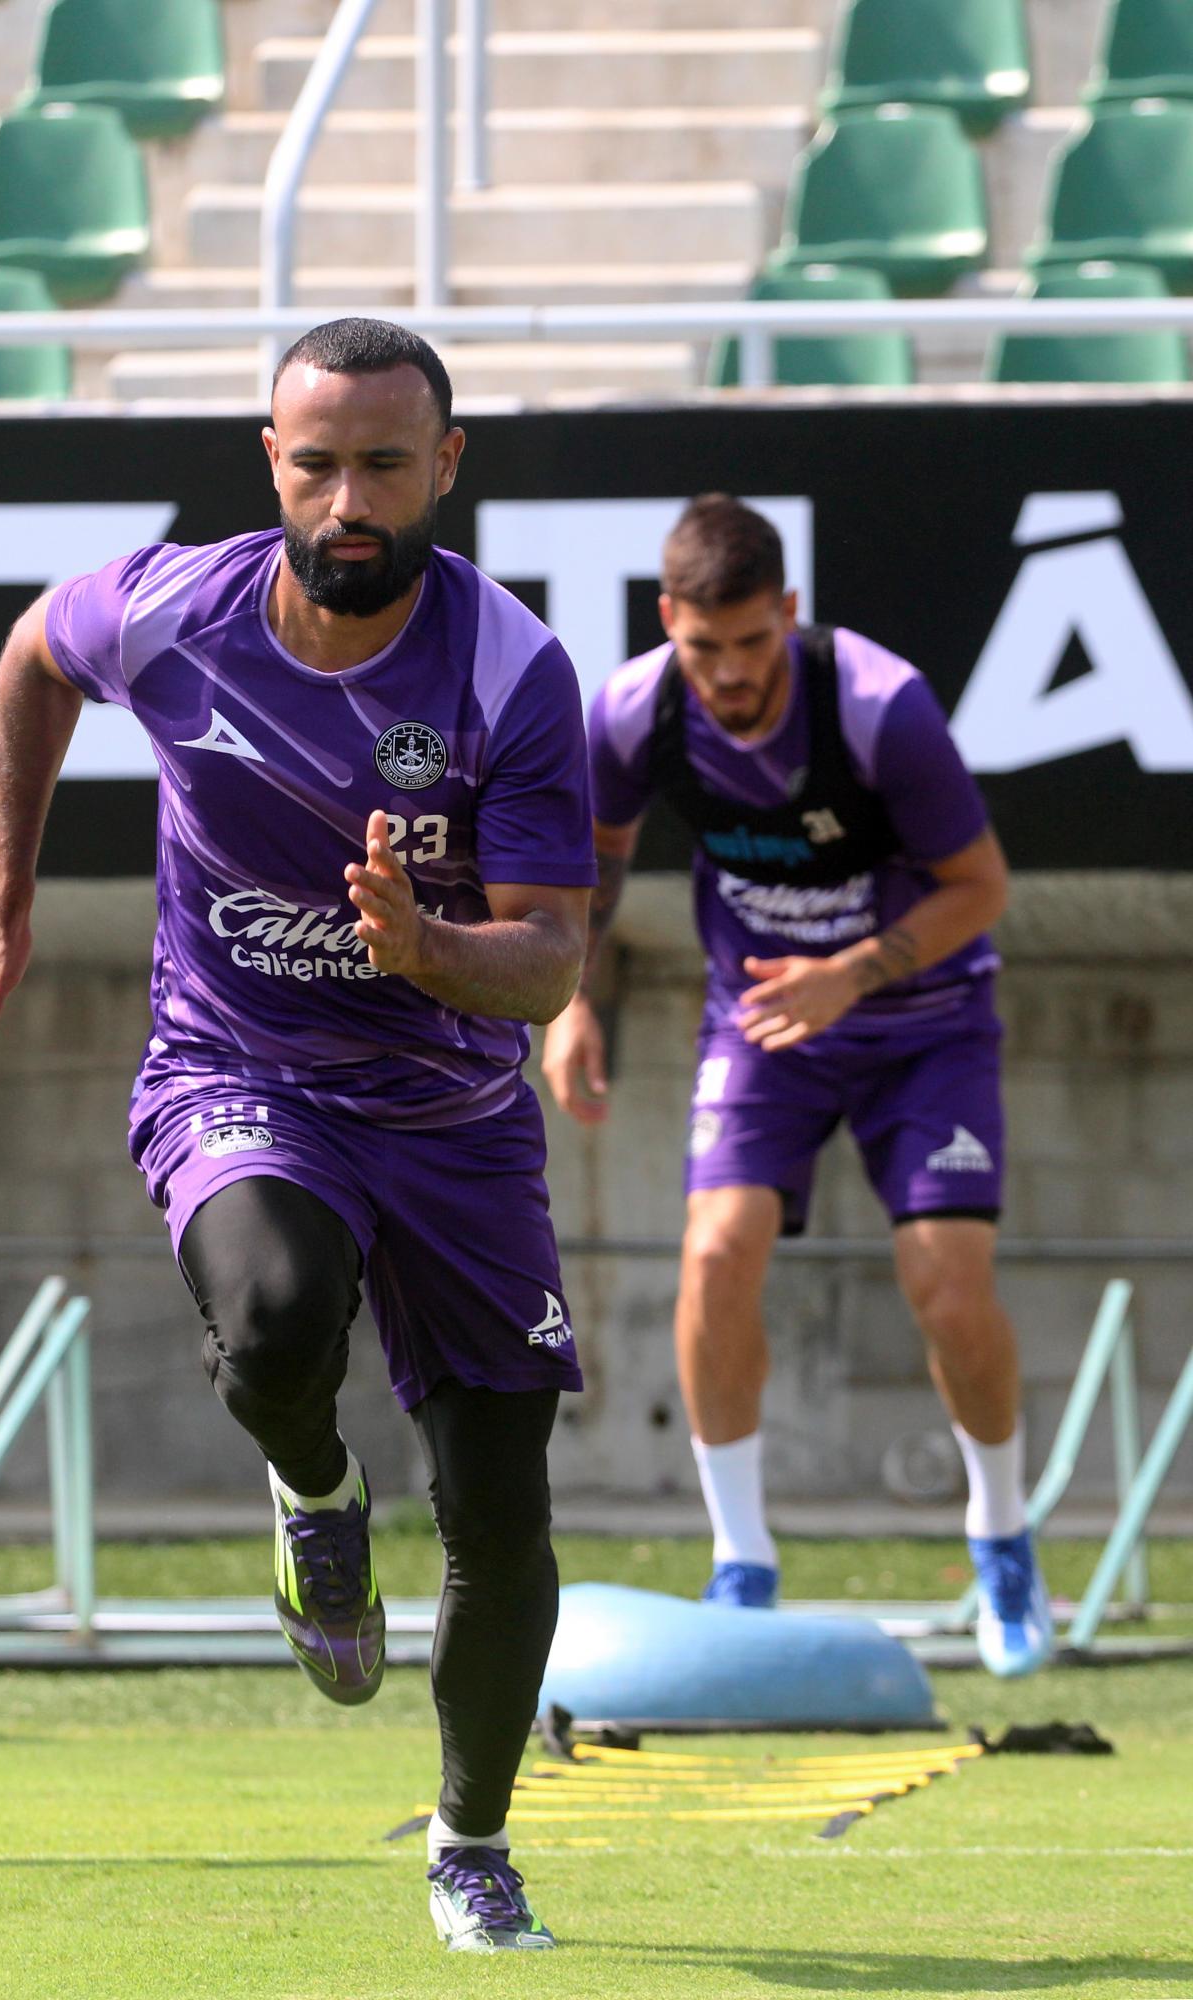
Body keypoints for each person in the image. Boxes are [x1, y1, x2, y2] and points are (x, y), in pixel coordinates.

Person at [0, 318, 595, 1949]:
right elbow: (31, 657)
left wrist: (434, 953)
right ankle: (315, 1493)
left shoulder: (511, 675)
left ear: (447, 469)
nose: (350, 499)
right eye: (317, 462)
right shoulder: (173, 611)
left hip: (453, 1119)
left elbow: (552, 960)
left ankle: (472, 1845)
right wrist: (2, 890)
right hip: (242, 1071)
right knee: (275, 1322)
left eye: (386, 466)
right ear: (269, 461)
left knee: (501, 1507)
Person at [541, 494, 1053, 1679]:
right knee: (715, 1253)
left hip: (924, 1020)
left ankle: (1000, 1534)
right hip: (765, 1022)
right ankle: (742, 1559)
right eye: (701, 645)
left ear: (788, 612)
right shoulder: (630, 710)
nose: (726, 674)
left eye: (749, 644)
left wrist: (851, 974)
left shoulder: (879, 705)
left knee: (946, 1280)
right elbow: (587, 878)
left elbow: (980, 886)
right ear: (668, 619)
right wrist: (571, 1001)